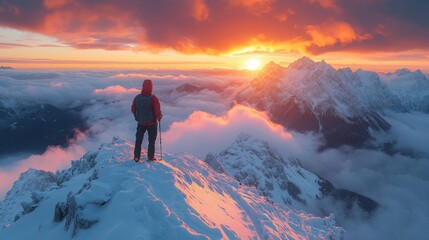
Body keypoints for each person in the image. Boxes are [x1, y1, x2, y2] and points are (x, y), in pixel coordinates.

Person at [131, 79, 163, 162]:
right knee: (151, 141)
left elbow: (133, 109)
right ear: (151, 87)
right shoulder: (153, 99)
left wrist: (138, 117)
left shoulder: (137, 97)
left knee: (138, 140)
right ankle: (150, 157)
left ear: (142, 86)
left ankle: (136, 157)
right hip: (152, 124)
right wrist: (159, 116)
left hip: (140, 123)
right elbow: (157, 112)